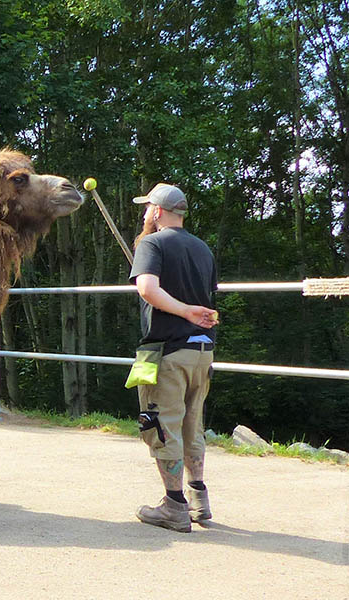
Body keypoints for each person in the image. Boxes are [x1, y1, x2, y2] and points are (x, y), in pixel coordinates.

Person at [128, 183, 218, 533]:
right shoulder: (203, 249)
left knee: (159, 425)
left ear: (158, 211)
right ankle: (198, 499)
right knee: (192, 424)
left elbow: (148, 289)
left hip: (166, 350)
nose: (144, 214)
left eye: (147, 208)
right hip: (202, 351)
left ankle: (174, 507)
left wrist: (181, 311)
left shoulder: (151, 243)